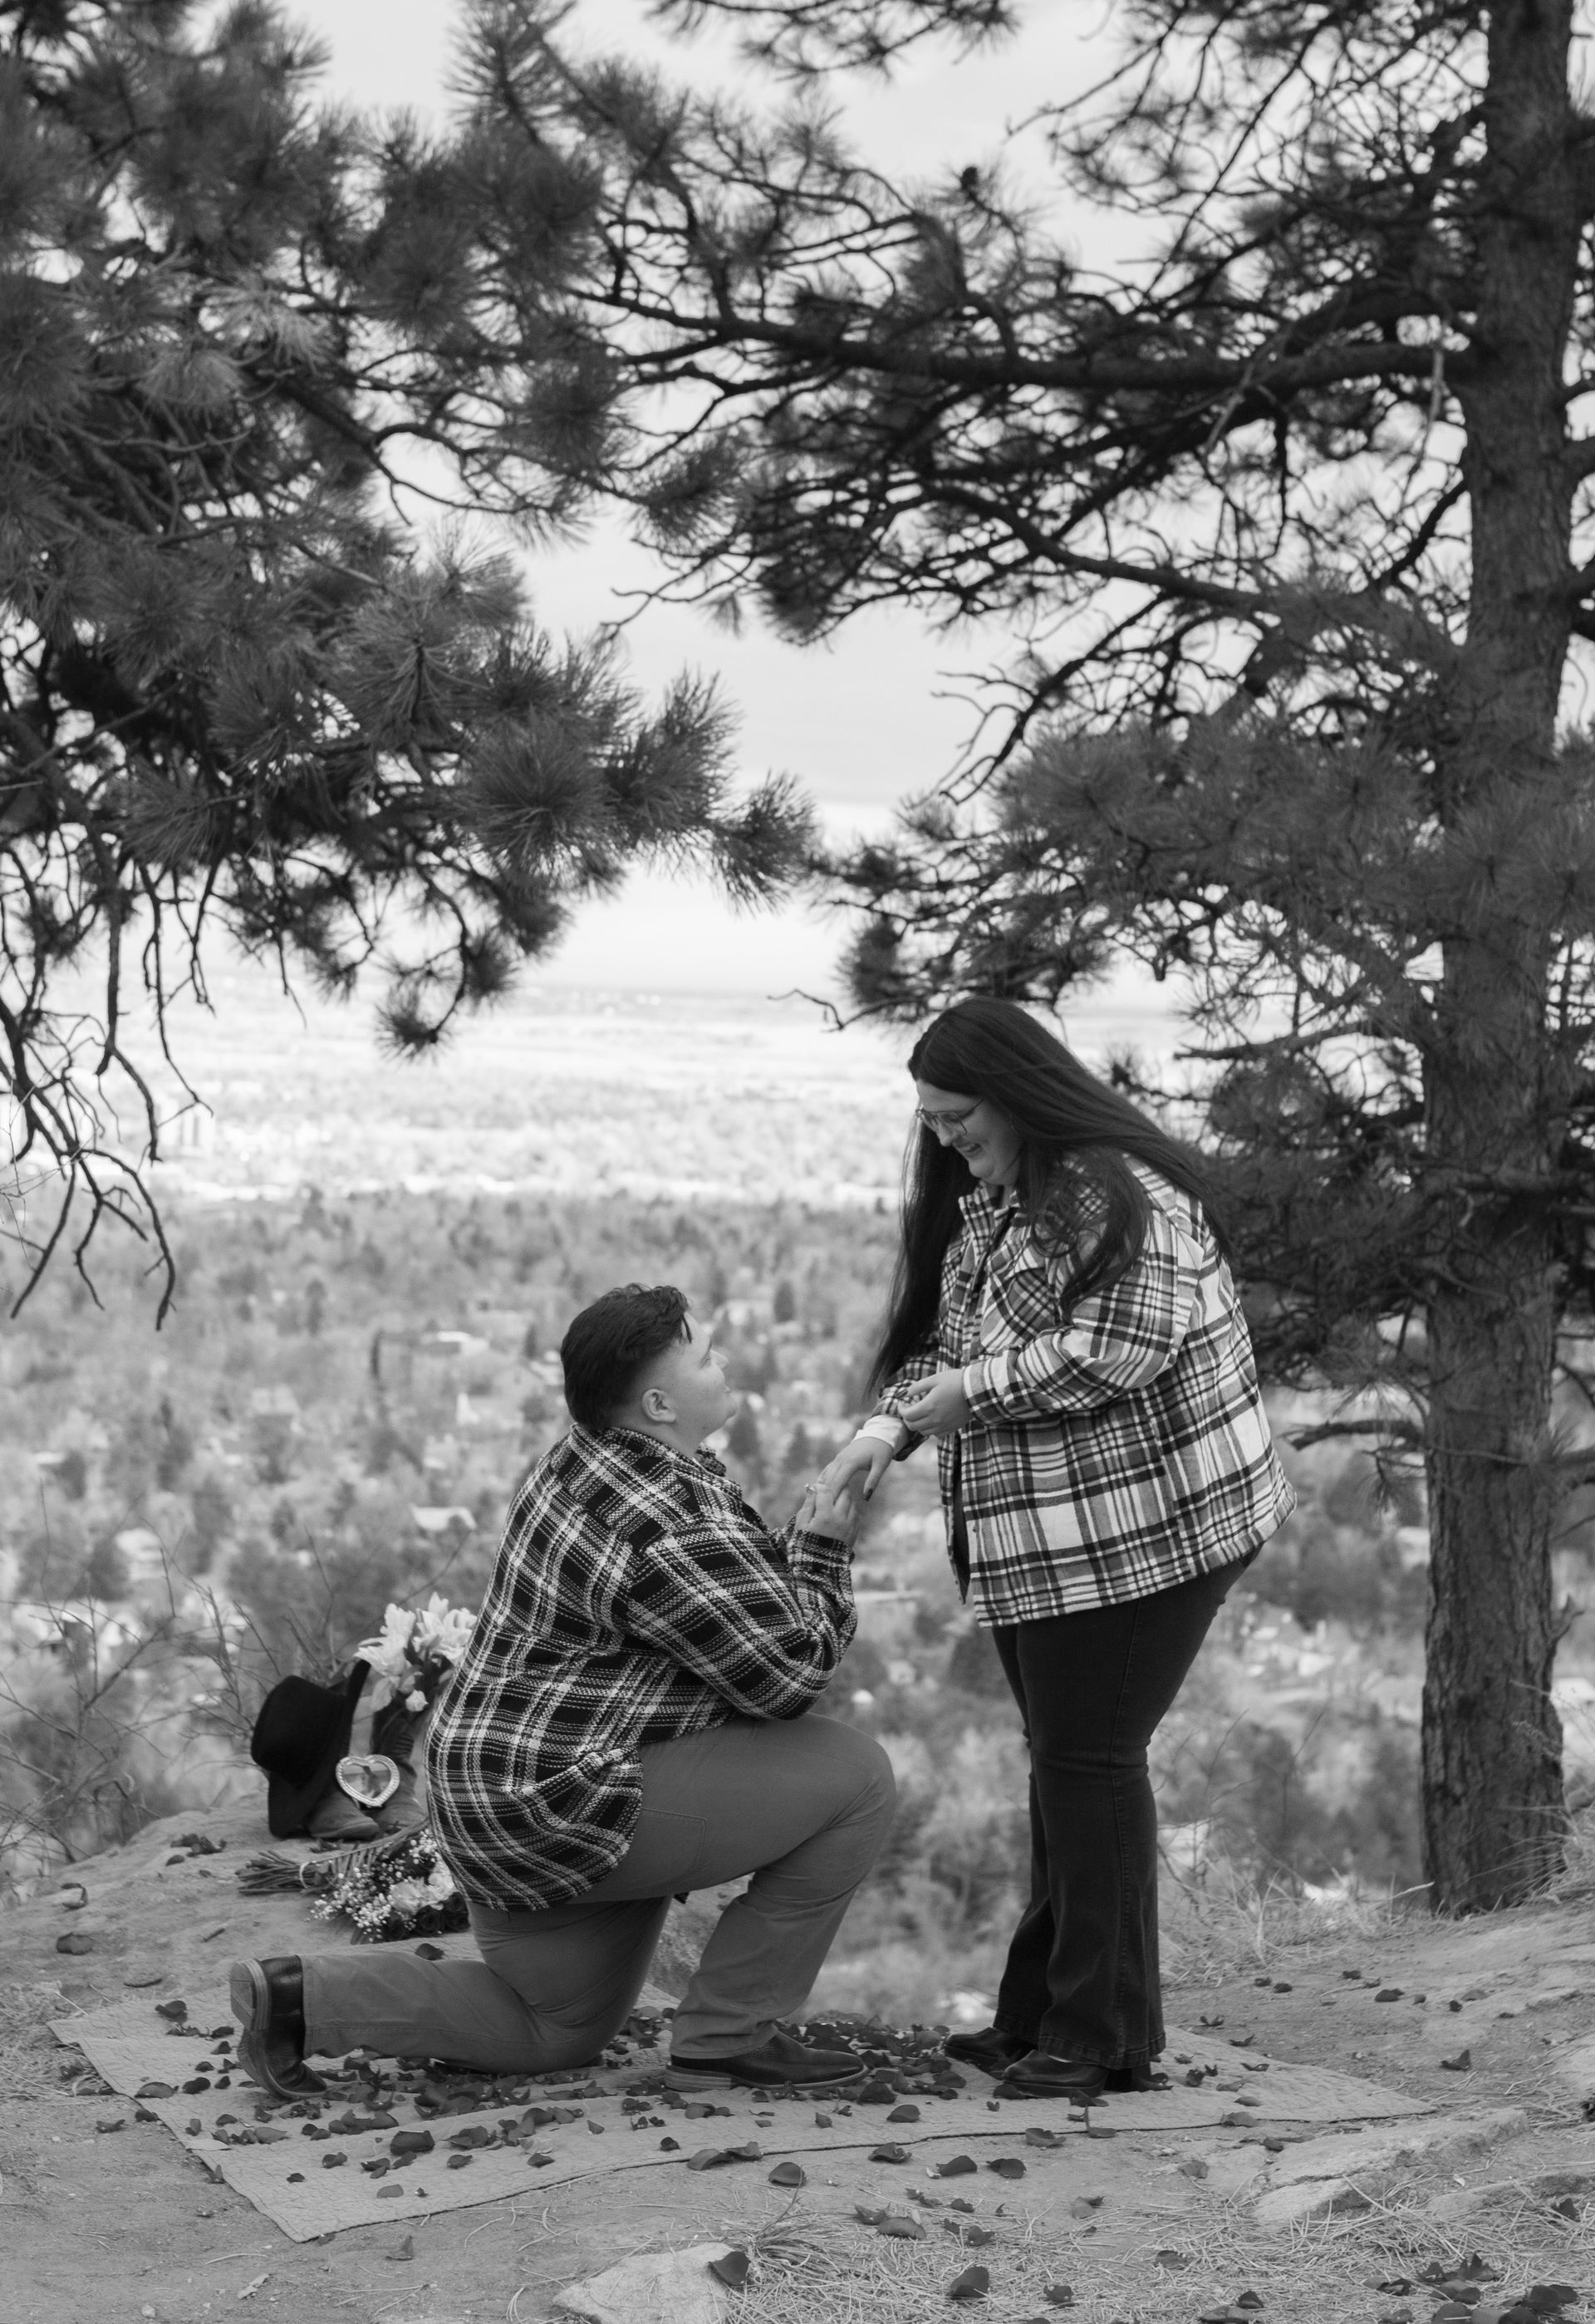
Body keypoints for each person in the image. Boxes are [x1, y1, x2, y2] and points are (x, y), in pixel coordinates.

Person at [231, 1282, 891, 2098]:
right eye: (706, 1355)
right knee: (858, 1776)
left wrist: (795, 1549)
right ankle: (730, 2035)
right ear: (657, 1400)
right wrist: (824, 1548)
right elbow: (787, 1677)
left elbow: (731, 1610)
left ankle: (300, 1999)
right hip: (561, 1804)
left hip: (491, 1799)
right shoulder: (661, 1515)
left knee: (553, 2025)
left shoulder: (583, 1456)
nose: (724, 1363)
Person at [819, 997, 1295, 2101]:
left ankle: (1104, 2036)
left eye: (955, 1115)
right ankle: (1042, 2014)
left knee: (1088, 1762)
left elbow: (1118, 1353)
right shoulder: (1001, 1196)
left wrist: (963, 1397)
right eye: (929, 1121)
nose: (943, 1139)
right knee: (1066, 1766)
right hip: (1059, 1537)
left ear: (1015, 1091)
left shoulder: (1120, 1198)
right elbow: (951, 1340)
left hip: (1155, 1529)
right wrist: (882, 1433)